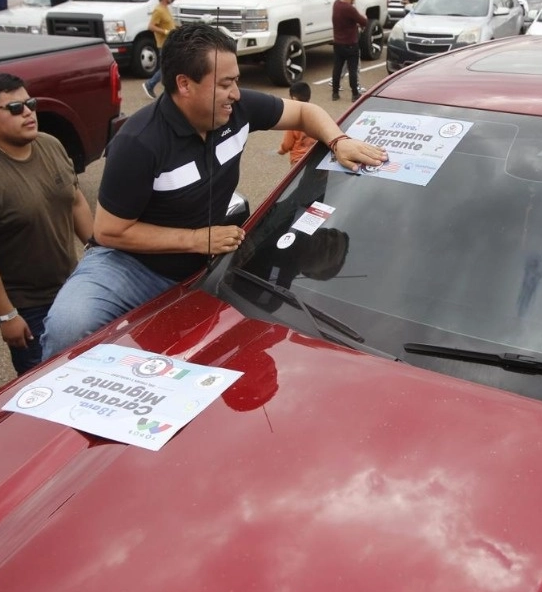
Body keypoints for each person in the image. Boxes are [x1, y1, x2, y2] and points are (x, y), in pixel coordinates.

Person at [40, 23, 387, 359]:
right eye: (225, 84)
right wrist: (197, 240)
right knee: (68, 326)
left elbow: (304, 111)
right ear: (185, 85)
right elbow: (109, 231)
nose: (236, 94)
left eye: (236, 82)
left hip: (208, 261)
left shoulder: (238, 110)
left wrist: (339, 141)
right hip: (131, 266)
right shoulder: (137, 143)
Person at [0, 73, 92, 375]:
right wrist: (7, 314)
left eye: (31, 103)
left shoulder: (50, 145)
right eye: (15, 108)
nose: (28, 112)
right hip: (25, 303)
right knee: (46, 380)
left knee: (87, 367)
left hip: (71, 285)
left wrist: (99, 254)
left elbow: (75, 200)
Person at [332, 0, 369, 101]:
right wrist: (364, 20)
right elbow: (363, 21)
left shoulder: (336, 4)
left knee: (337, 68)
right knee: (353, 69)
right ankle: (354, 93)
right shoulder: (349, 8)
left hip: (338, 43)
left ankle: (335, 93)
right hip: (350, 44)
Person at [143, 0, 177, 99]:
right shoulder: (158, 10)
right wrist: (165, 31)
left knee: (170, 66)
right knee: (166, 68)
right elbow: (151, 26)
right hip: (163, 44)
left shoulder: (166, 8)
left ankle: (168, 91)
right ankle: (150, 84)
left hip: (170, 43)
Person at [277, 81, 317, 165]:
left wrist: (282, 150)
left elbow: (288, 143)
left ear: (294, 98)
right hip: (314, 155)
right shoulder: (315, 114)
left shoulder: (293, 119)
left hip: (298, 159)